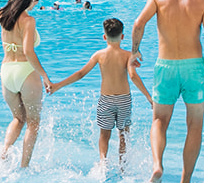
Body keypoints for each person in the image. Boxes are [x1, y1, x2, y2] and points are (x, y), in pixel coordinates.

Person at [131, 0, 204, 183]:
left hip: (166, 66)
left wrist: (134, 51)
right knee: (195, 125)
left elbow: (138, 24)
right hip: (194, 69)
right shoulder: (203, 2)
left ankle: (157, 165)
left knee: (159, 120)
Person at [47, 17, 153, 172]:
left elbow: (81, 74)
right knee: (124, 134)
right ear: (122, 36)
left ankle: (103, 163)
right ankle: (123, 167)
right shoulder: (128, 55)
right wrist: (149, 97)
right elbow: (133, 76)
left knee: (104, 134)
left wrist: (57, 86)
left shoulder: (99, 55)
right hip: (124, 99)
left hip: (106, 100)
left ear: (104, 37)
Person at [0, 0, 52, 168]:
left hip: (6, 72)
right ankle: (24, 167)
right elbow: (28, 52)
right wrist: (45, 76)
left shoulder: (4, 12)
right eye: (37, 0)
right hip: (25, 71)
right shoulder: (28, 20)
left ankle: (3, 154)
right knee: (33, 123)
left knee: (18, 118)